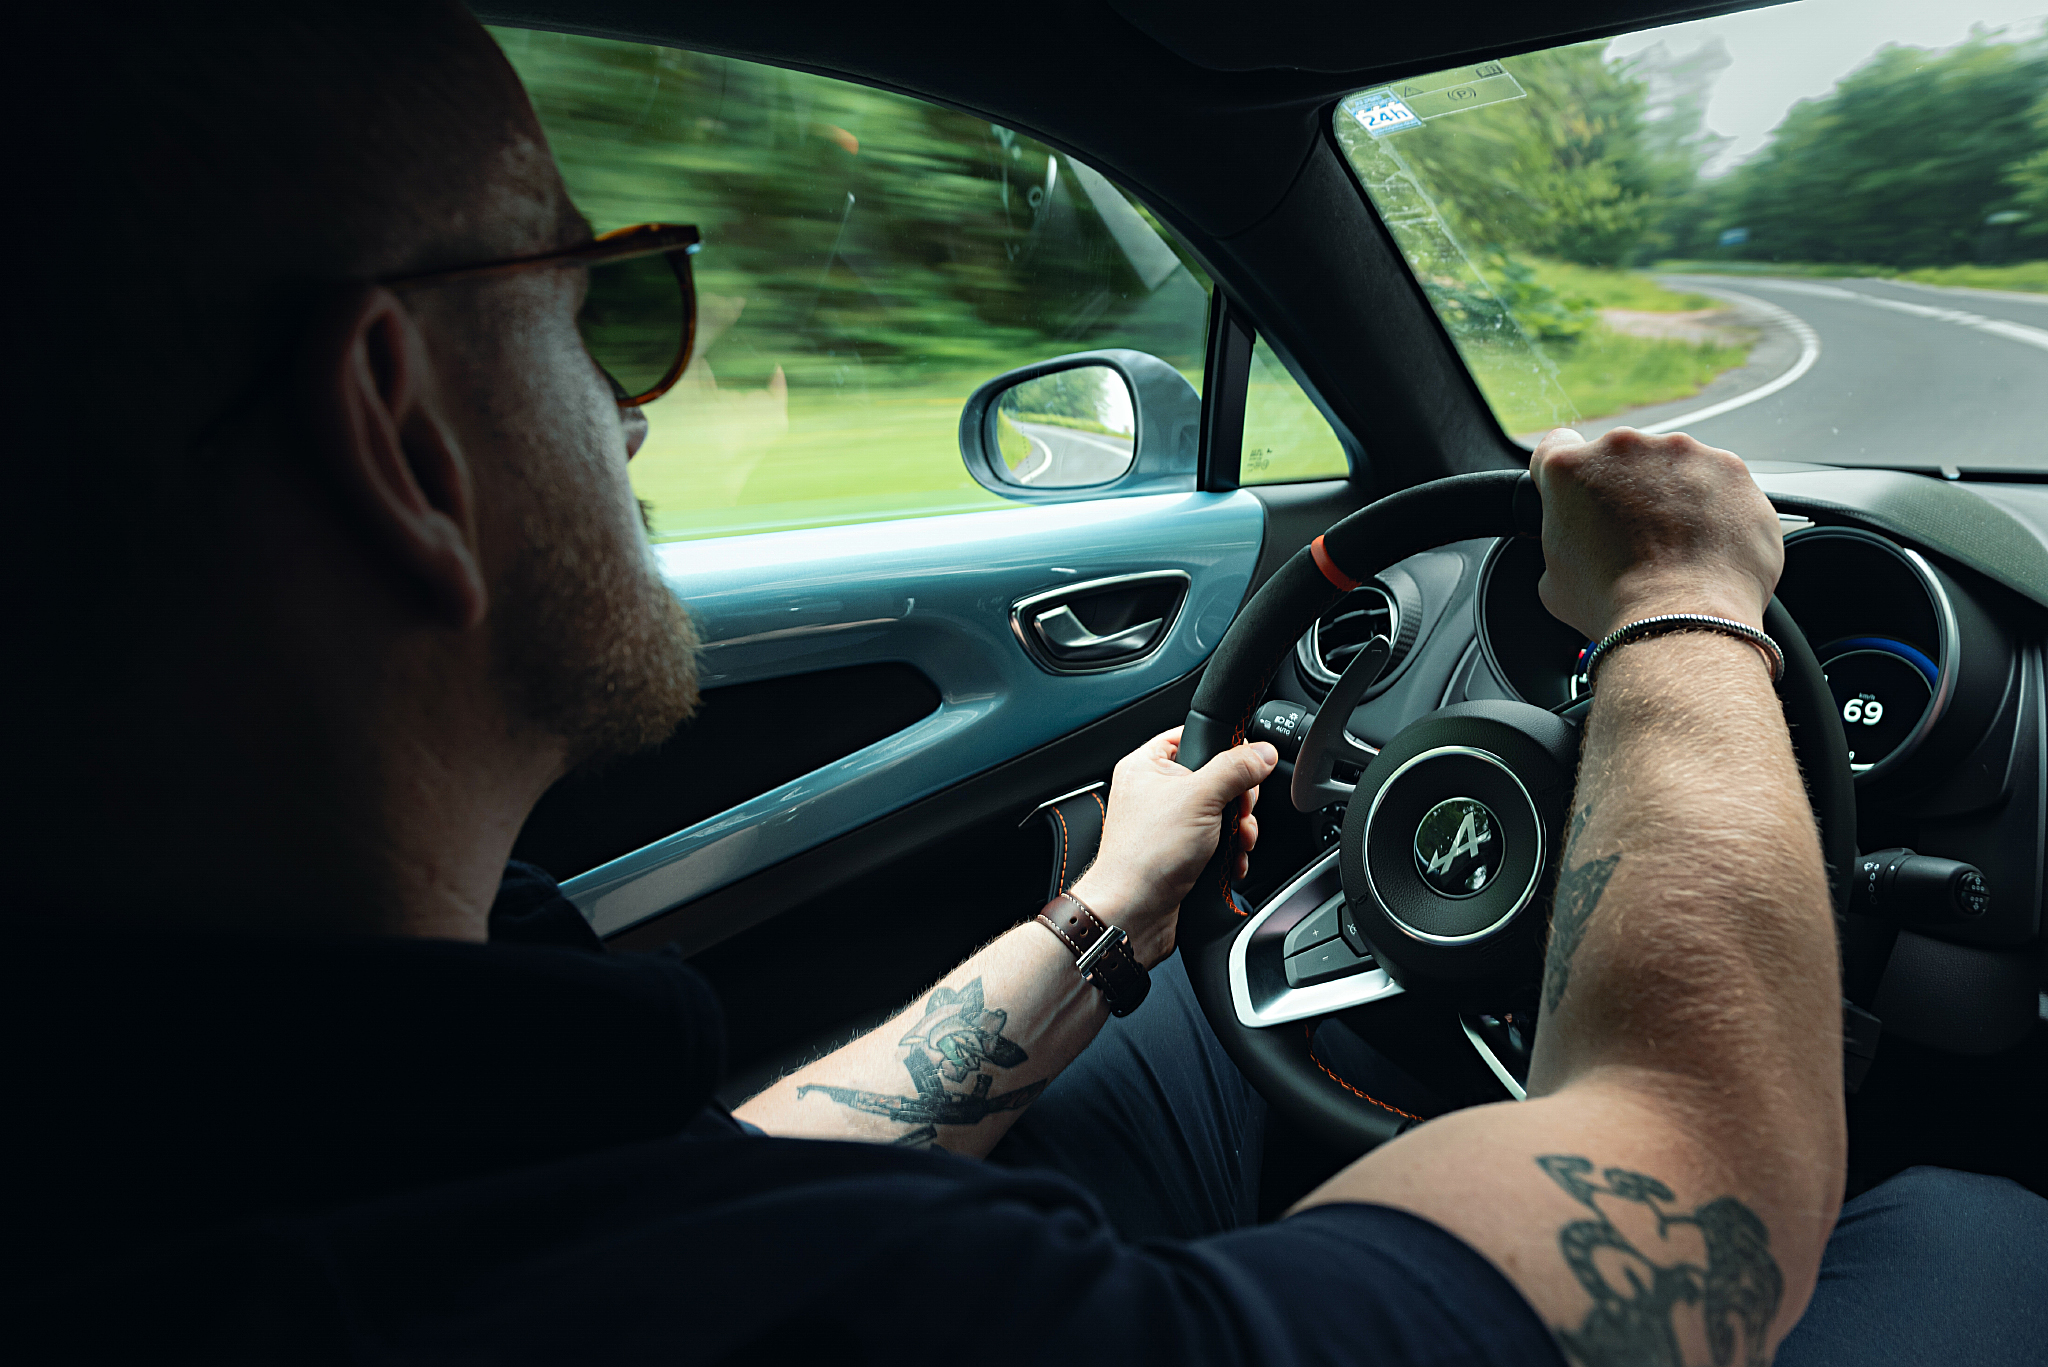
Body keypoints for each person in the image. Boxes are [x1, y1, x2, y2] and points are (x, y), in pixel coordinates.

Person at [4, 4, 2041, 1363]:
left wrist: (1107, 913)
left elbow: (736, 1173)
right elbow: (1700, 1155)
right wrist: (1682, 597)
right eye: (600, 308)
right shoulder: (799, 1312)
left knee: (1181, 1039)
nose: (642, 408)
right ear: (402, 431)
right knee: (1969, 1230)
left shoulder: (275, 1107)